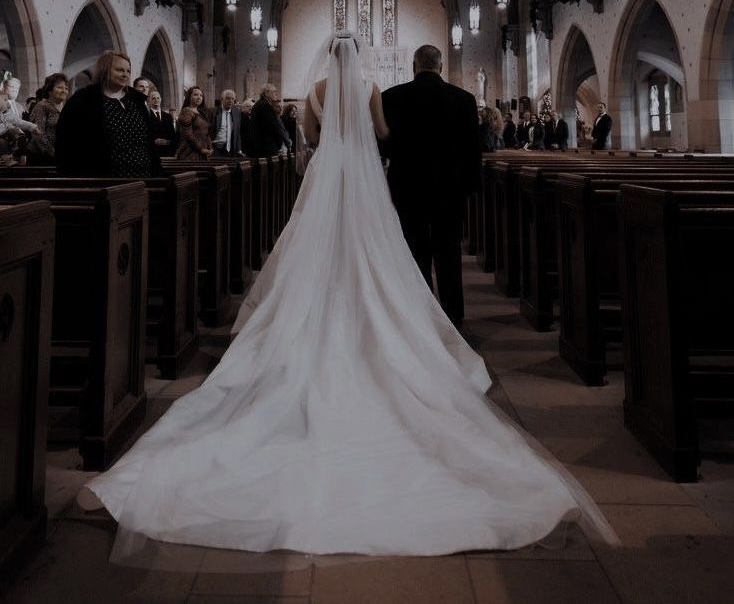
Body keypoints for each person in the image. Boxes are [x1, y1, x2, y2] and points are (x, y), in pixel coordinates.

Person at [78, 33, 615, 564]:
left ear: (326, 55)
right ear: (358, 55)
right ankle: (389, 321)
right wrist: (370, 135)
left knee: (317, 250)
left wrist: (333, 134)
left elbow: (309, 135)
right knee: (374, 252)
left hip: (325, 174)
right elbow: (381, 134)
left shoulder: (313, 91)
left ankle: (312, 319)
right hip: (361, 178)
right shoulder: (372, 89)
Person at [381, 44, 481, 328]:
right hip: (450, 189)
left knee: (414, 251)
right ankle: (452, 315)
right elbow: (473, 149)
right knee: (449, 251)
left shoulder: (393, 97)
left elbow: (384, 146)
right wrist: (471, 187)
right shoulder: (463, 100)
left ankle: (419, 313)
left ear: (414, 66)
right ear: (440, 66)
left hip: (407, 187)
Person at [55, 50, 161, 177]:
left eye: (128, 71)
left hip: (143, 178)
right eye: (119, 70)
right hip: (103, 179)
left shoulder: (137, 100)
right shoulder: (84, 100)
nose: (125, 74)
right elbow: (65, 141)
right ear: (104, 70)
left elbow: (149, 141)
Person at [26, 72, 68, 164]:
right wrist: (53, 153)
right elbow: (38, 133)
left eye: (66, 88)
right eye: (59, 87)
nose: (64, 90)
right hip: (41, 157)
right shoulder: (42, 106)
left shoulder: (66, 108)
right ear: (49, 90)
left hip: (59, 155)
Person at [251, 83, 291, 156]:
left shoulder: (260, 104)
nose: (276, 94)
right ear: (266, 93)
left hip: (261, 146)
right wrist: (280, 144)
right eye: (274, 91)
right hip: (266, 147)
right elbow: (273, 127)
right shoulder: (265, 106)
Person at [210, 89, 242, 157]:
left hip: (230, 149)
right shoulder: (213, 112)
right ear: (222, 99)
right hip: (215, 148)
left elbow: (237, 132)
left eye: (233, 99)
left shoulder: (237, 112)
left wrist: (239, 149)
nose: (230, 101)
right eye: (228, 98)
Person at [147, 89, 176, 157]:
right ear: (149, 101)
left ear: (161, 99)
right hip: (152, 151)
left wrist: (168, 142)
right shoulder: (146, 115)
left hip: (167, 151)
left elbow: (172, 134)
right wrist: (153, 141)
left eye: (158, 98)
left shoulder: (168, 116)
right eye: (153, 98)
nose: (156, 100)